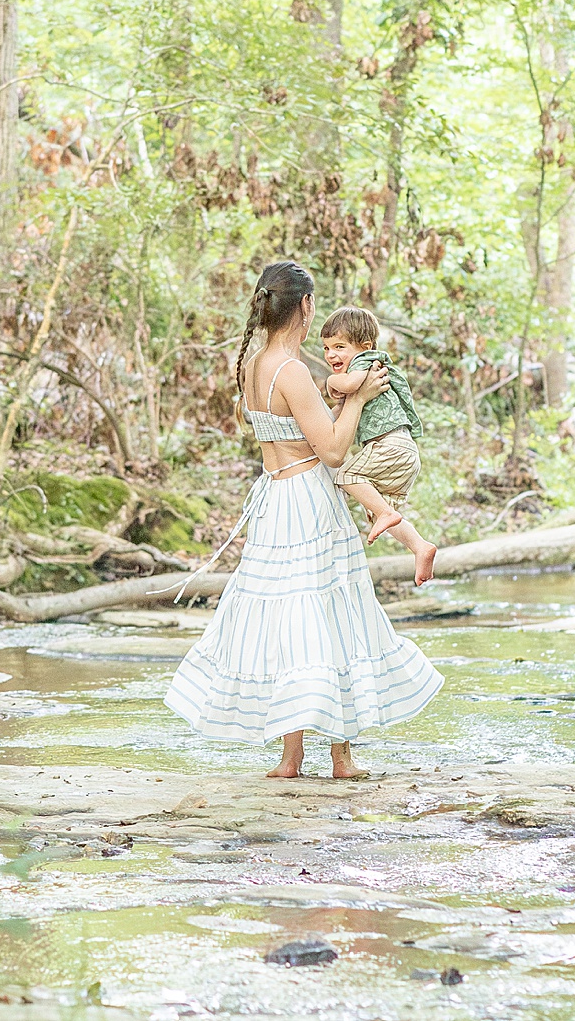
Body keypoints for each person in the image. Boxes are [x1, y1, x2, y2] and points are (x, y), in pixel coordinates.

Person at [164, 261, 445, 779]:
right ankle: (341, 758)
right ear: (307, 308)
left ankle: (291, 757)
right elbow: (335, 451)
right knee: (333, 618)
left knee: (291, 625)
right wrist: (358, 398)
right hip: (310, 502)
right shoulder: (292, 371)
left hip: (274, 500)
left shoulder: (253, 364)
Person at [318, 306, 438, 586]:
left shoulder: (365, 363)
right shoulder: (366, 368)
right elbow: (338, 413)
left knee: (346, 476)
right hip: (402, 450)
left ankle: (386, 513)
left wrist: (331, 381)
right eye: (326, 348)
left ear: (365, 346)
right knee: (377, 512)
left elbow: (349, 384)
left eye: (339, 346)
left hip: (389, 446)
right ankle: (420, 546)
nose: (331, 355)